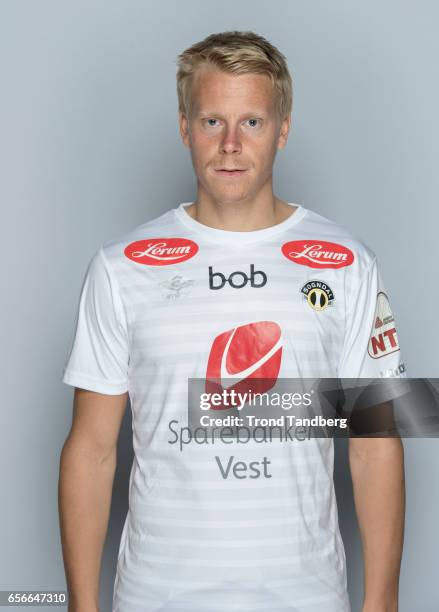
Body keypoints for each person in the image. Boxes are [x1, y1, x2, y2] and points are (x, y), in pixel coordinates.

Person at [58, 30, 406, 612]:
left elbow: (375, 440)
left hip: (307, 597)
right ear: (185, 128)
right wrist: (80, 605)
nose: (230, 145)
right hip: (157, 595)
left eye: (252, 122)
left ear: (283, 130)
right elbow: (92, 449)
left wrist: (383, 601)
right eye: (212, 121)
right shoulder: (121, 267)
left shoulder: (348, 262)